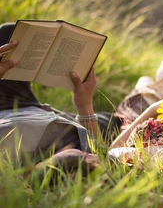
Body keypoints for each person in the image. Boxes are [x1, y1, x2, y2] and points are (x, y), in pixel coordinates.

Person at [0, 22, 121, 168]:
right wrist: (84, 105)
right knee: (113, 120)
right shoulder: (82, 149)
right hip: (36, 112)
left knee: (10, 34)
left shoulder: (20, 159)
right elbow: (102, 155)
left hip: (11, 113)